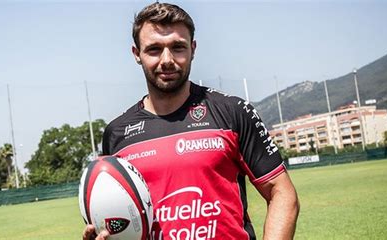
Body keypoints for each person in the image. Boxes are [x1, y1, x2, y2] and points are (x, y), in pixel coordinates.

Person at [83, 2, 299, 240]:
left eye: (177, 47)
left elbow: (282, 193)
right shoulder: (117, 133)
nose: (167, 60)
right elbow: (121, 221)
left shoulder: (233, 112)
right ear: (137, 54)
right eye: (154, 49)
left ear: (193, 49)